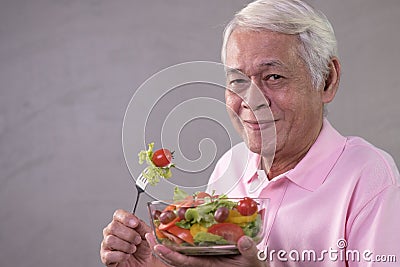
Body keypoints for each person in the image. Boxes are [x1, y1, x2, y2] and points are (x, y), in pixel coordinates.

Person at [100, 0, 400, 266]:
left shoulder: (370, 178)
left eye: (273, 77)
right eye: (238, 81)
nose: (252, 101)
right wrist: (156, 265)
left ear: (326, 80)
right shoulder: (228, 167)